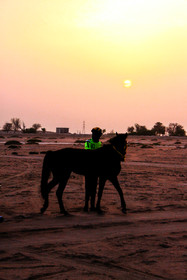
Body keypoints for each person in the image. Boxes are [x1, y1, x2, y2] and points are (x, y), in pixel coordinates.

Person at [84, 127, 103, 211]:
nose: (96, 136)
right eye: (95, 134)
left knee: (94, 187)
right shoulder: (88, 142)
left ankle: (92, 205)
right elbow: (87, 153)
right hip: (88, 167)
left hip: (96, 168)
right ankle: (86, 205)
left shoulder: (100, 144)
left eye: (98, 135)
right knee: (88, 187)